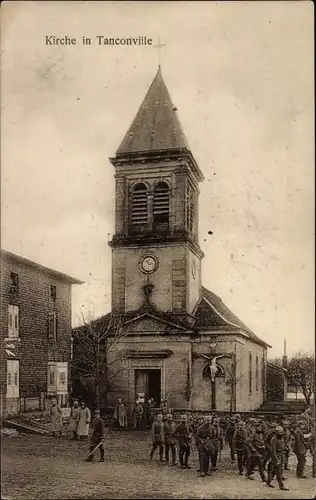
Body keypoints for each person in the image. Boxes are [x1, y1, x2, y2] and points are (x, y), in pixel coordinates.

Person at [266, 426, 289, 491]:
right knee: (278, 471)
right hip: (276, 456)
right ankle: (281, 485)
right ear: (276, 432)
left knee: (274, 471)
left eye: (281, 432)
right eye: (278, 432)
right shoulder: (274, 439)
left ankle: (268, 481)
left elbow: (282, 445)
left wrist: (284, 448)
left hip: (281, 455)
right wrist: (276, 459)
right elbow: (272, 451)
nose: (280, 433)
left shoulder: (281, 438)